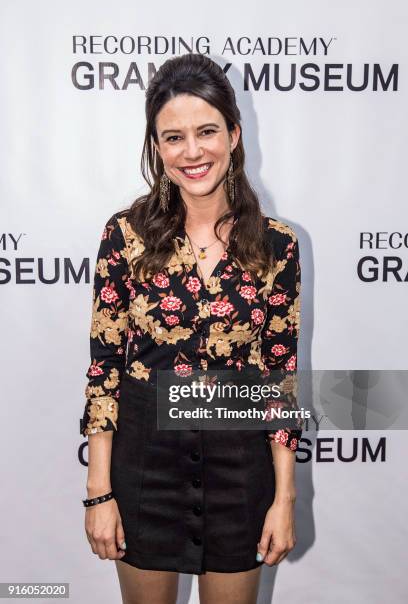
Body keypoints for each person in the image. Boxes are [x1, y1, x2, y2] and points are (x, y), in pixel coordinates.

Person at [81, 53, 303, 604]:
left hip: (238, 471)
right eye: (173, 137)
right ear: (156, 146)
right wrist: (98, 492)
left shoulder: (277, 245)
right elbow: (104, 369)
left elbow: (278, 377)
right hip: (143, 469)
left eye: (206, 131)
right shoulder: (124, 236)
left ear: (233, 133)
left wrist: (284, 497)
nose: (192, 151)